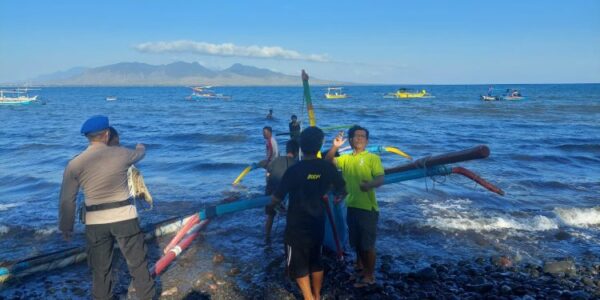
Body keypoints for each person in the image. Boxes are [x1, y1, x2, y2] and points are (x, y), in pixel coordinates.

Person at [58, 116, 155, 299]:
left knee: (100, 271)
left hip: (95, 223)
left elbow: (66, 199)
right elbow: (140, 154)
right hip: (125, 218)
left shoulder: (74, 164)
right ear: (107, 134)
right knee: (138, 264)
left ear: (88, 137)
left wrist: (66, 227)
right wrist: (141, 146)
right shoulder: (122, 154)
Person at [271, 127, 345, 300]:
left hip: (296, 226)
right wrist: (334, 195)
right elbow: (342, 189)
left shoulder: (294, 171)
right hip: (318, 222)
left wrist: (275, 205)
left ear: (300, 147)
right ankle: (317, 295)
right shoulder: (327, 168)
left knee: (299, 266)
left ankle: (308, 297)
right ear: (320, 145)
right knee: (316, 260)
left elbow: (276, 198)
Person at [325, 125, 384, 287]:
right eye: (356, 136)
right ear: (350, 140)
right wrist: (335, 146)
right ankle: (360, 267)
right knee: (356, 242)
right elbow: (328, 161)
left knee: (367, 244)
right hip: (351, 206)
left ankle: (370, 276)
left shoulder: (373, 158)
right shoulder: (346, 159)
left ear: (367, 140)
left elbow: (380, 179)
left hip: (368, 209)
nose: (359, 139)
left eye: (363, 136)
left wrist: (370, 184)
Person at [264, 139, 299, 241]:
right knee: (291, 216)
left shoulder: (276, 160)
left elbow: (268, 172)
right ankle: (290, 238)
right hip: (283, 197)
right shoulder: (297, 164)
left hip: (270, 194)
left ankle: (267, 238)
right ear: (297, 152)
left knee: (270, 217)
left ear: (286, 150)